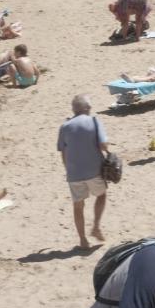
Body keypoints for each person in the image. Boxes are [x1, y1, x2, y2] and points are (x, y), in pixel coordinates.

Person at [58, 95, 109, 249]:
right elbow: (103, 145)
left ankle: (83, 240)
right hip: (94, 170)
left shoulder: (65, 126)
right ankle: (96, 226)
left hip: (74, 173)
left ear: (74, 109)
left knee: (78, 206)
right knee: (101, 195)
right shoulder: (94, 121)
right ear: (86, 108)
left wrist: (69, 170)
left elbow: (63, 152)